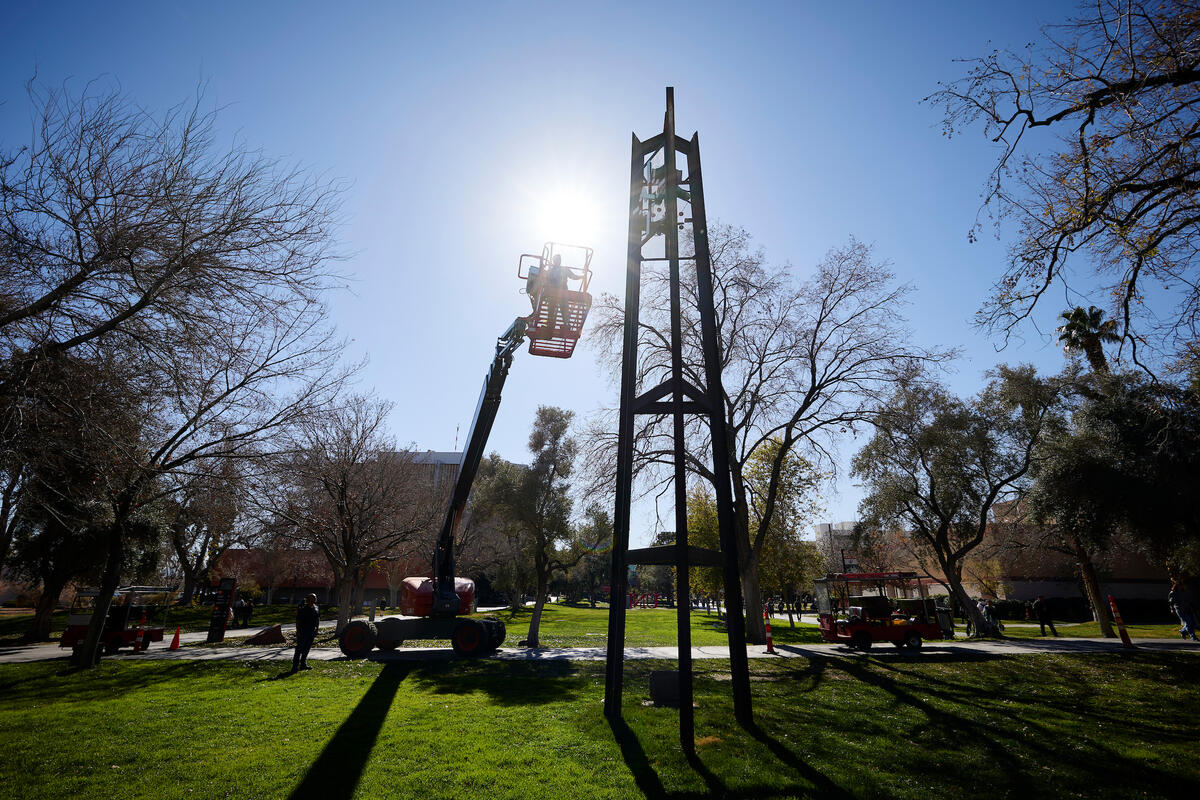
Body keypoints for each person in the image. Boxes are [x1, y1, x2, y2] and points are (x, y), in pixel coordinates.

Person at [291, 593, 320, 672]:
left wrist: (317, 629)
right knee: (299, 649)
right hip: (303, 631)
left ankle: (303, 664)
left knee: (307, 648)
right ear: (308, 599)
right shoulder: (303, 609)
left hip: (312, 631)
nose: (313, 600)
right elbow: (298, 620)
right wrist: (297, 631)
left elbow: (318, 619)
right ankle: (295, 666)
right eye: (311, 598)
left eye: (314, 598)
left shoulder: (316, 608)